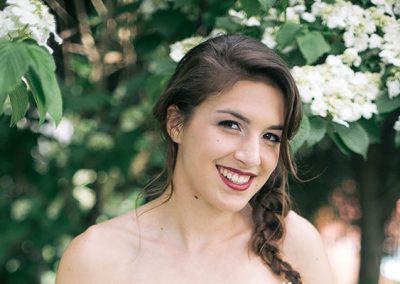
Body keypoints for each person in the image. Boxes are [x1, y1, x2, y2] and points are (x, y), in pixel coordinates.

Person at [56, 34, 334, 284]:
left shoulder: (295, 242)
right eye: (231, 125)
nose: (251, 157)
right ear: (176, 123)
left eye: (271, 137)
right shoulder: (97, 258)